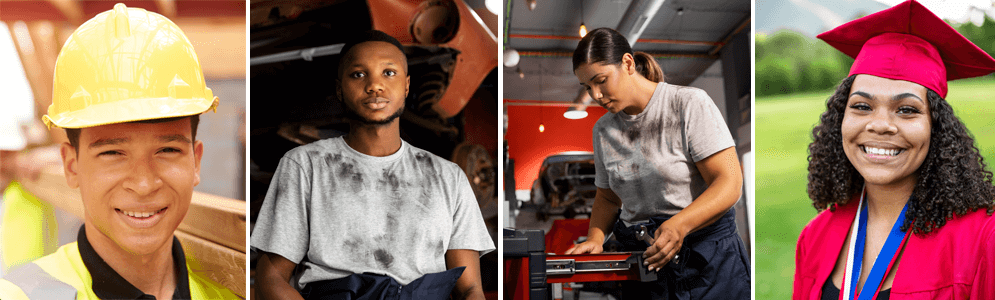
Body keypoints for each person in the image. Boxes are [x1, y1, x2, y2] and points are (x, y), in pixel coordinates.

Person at [0, 4, 237, 299]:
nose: (144, 183)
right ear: (72, 167)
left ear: (196, 161)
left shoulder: (227, 294)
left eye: (167, 149)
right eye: (113, 153)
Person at [251, 30, 495, 300]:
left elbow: (470, 288)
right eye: (358, 74)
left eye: (388, 73)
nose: (374, 86)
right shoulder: (305, 165)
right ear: (339, 89)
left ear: (406, 85)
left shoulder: (449, 177)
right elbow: (270, 278)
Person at [794, 1, 995, 299]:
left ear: (936, 127)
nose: (880, 125)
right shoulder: (815, 237)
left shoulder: (982, 239)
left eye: (906, 110)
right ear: (840, 119)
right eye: (862, 106)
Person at [564, 27, 749, 299]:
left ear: (627, 63)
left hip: (708, 263)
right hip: (646, 266)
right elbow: (607, 198)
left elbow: (729, 183)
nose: (596, 95)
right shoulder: (603, 130)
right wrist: (595, 238)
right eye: (587, 87)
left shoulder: (687, 104)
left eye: (600, 80)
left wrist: (680, 224)